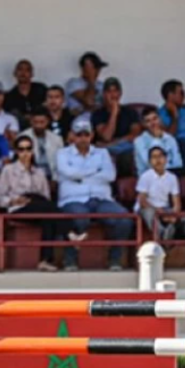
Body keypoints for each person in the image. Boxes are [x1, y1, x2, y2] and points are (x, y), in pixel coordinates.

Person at [56, 116, 133, 271]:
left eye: (86, 134)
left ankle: (115, 259)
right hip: (73, 199)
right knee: (78, 218)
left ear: (91, 135)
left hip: (101, 198)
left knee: (124, 218)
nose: (83, 138)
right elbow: (68, 172)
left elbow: (110, 176)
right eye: (79, 135)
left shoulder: (102, 153)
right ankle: (70, 260)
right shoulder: (62, 154)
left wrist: (80, 176)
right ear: (72, 136)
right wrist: (95, 172)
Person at [0, 136, 64, 271]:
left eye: (28, 149)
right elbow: (0, 198)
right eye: (21, 149)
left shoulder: (39, 172)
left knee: (48, 219)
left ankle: (45, 260)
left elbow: (46, 196)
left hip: (39, 206)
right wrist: (14, 200)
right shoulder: (8, 170)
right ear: (16, 151)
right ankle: (69, 231)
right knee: (49, 210)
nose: (25, 153)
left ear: (33, 151)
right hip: (17, 208)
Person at [91, 78, 141, 175]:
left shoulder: (130, 112)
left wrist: (111, 144)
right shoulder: (98, 114)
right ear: (104, 94)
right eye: (109, 91)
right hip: (107, 150)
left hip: (125, 147)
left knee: (128, 151)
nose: (113, 95)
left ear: (120, 93)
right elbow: (106, 136)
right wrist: (114, 113)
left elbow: (134, 136)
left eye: (115, 91)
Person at [135, 146, 183, 240]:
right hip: (147, 208)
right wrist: (159, 211)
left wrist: (174, 214)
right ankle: (161, 235)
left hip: (164, 207)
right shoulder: (145, 176)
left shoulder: (172, 177)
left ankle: (169, 234)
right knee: (149, 213)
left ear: (166, 159)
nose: (158, 160)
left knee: (183, 218)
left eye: (160, 156)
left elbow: (177, 202)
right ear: (150, 161)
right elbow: (142, 201)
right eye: (154, 157)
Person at [159, 79, 185, 175]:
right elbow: (168, 137)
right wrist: (175, 117)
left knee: (183, 143)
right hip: (167, 148)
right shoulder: (158, 115)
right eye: (181, 93)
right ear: (170, 95)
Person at [17, 106, 64, 180]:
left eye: (42, 122)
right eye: (36, 122)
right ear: (31, 121)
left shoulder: (57, 139)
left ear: (48, 121)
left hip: (51, 176)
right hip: (29, 177)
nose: (39, 126)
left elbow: (60, 164)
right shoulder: (23, 137)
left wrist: (55, 180)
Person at [134, 107, 183, 176]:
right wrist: (157, 139)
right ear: (144, 124)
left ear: (160, 119)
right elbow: (151, 164)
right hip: (148, 177)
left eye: (155, 119)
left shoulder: (170, 139)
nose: (153, 123)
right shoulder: (139, 141)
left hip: (170, 175)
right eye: (148, 121)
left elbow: (178, 163)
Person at [4, 59, 48, 126]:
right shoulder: (9, 96)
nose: (23, 73)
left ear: (32, 74)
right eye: (20, 69)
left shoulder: (41, 90)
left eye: (27, 70)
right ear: (15, 73)